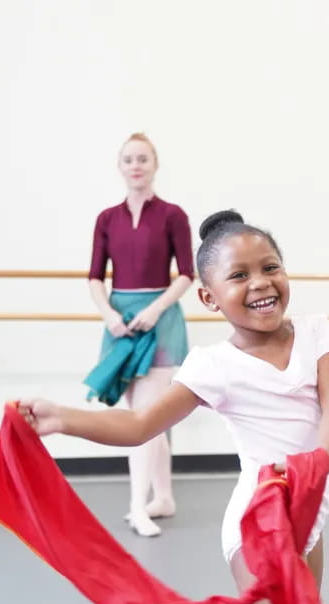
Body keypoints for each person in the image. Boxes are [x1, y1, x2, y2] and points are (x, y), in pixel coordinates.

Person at [21, 210, 329, 604]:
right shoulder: (213, 365)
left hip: (306, 516)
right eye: (239, 276)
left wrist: (314, 467)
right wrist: (63, 418)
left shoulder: (315, 332)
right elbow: (139, 424)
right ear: (209, 296)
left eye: (270, 267)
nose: (261, 283)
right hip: (258, 527)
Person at [87, 133, 194, 537]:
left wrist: (153, 310)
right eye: (129, 159)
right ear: (120, 166)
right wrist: (109, 315)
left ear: (154, 165)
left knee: (144, 419)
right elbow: (95, 276)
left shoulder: (172, 215)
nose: (136, 165)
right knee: (144, 417)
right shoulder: (107, 219)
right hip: (120, 322)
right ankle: (163, 497)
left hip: (160, 321)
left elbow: (186, 272)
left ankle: (137, 507)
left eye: (143, 159)